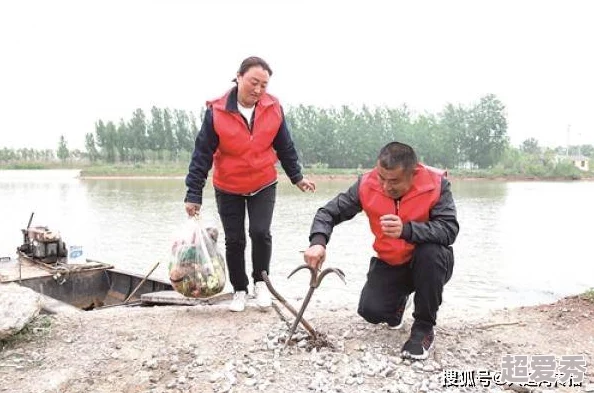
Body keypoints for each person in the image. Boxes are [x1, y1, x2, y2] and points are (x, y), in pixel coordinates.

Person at [303, 142, 458, 360]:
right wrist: (318, 241)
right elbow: (328, 213)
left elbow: (449, 229)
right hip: (391, 262)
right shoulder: (366, 184)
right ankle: (399, 305)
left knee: (430, 252)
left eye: (394, 181)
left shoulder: (437, 184)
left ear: (414, 173)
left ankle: (423, 328)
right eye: (381, 178)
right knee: (371, 311)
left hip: (430, 263)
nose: (385, 187)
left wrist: (407, 230)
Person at [184, 56, 315, 312]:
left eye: (263, 85)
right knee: (235, 239)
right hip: (228, 185)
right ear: (239, 77)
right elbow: (202, 154)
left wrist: (297, 177)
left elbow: (285, 147)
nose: (258, 90)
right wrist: (193, 194)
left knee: (260, 232)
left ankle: (261, 282)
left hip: (263, 182)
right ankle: (240, 289)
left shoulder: (273, 108)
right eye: (254, 82)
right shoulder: (217, 111)